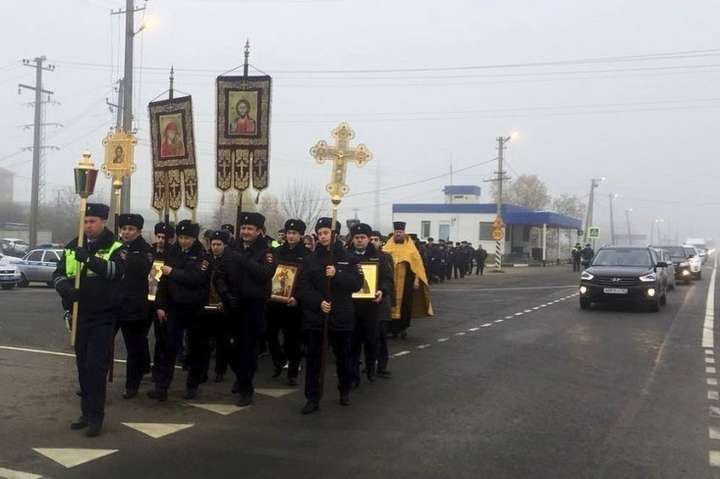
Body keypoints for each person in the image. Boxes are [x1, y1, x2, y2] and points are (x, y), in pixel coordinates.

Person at [52, 203, 125, 437]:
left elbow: (116, 271)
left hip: (104, 315)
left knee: (96, 367)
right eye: (85, 221)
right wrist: (65, 289)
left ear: (103, 222)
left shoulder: (115, 246)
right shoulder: (73, 245)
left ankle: (96, 417)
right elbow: (58, 274)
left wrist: (90, 259)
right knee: (83, 366)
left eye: (92, 221)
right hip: (79, 314)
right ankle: (85, 413)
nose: (88, 225)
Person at [296, 218, 363, 414]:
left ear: (335, 235)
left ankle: (344, 390)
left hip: (341, 316)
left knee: (343, 356)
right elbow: (302, 288)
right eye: (320, 233)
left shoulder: (349, 258)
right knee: (314, 360)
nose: (323, 236)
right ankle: (312, 397)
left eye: (326, 232)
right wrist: (318, 302)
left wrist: (337, 274)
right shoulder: (309, 260)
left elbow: (357, 284)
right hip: (317, 317)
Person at [215, 212, 276, 406]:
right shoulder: (232, 249)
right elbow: (219, 275)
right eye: (243, 228)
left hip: (253, 306)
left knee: (247, 348)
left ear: (259, 231)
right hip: (232, 304)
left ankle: (246, 388)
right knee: (227, 346)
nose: (245, 232)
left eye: (250, 229)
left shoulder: (266, 252)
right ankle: (241, 376)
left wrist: (242, 260)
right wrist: (226, 295)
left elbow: (265, 273)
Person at [149, 220, 210, 402]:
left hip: (195, 308)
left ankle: (192, 385)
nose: (183, 241)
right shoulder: (171, 252)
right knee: (169, 347)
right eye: (181, 237)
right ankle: (162, 387)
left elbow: (196, 278)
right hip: (174, 307)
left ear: (194, 238)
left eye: (187, 238)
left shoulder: (202, 256)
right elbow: (161, 281)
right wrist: (160, 305)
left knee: (195, 348)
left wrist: (173, 272)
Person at [347, 223, 394, 387]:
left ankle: (370, 367)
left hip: (372, 307)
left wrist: (382, 291)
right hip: (351, 306)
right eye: (356, 238)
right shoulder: (345, 256)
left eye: (363, 237)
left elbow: (388, 279)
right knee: (353, 342)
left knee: (372, 340)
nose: (359, 240)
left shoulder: (380, 257)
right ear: (352, 239)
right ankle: (353, 374)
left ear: (368, 239)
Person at [266, 219, 310, 387]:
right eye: (289, 233)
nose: (291, 236)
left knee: (292, 339)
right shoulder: (276, 251)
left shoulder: (307, 255)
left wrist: (297, 298)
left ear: (301, 235)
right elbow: (269, 272)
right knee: (270, 334)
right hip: (274, 301)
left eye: (294, 233)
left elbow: (306, 281)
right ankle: (278, 360)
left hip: (293, 303)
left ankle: (292, 371)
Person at [115, 214, 154, 400]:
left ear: (138, 231)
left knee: (134, 348)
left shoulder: (146, 249)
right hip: (115, 304)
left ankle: (132, 385)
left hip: (135, 306)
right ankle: (94, 382)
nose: (126, 232)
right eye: (124, 229)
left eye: (130, 229)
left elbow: (146, 270)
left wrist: (127, 257)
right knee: (102, 344)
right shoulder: (116, 247)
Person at [382, 221, 433, 339]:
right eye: (396, 232)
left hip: (406, 282)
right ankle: (391, 329)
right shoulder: (387, 247)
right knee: (389, 304)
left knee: (405, 305)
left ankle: (402, 328)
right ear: (394, 233)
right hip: (391, 282)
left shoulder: (411, 249)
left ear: (404, 233)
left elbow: (417, 266)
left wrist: (416, 280)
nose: (398, 234)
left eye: (400, 232)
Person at [205, 230, 232, 383]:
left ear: (224, 245)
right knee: (205, 340)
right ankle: (202, 370)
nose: (215, 247)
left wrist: (226, 301)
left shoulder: (230, 261)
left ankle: (220, 370)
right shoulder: (207, 259)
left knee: (222, 341)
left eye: (218, 244)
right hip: (207, 304)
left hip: (223, 306)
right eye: (213, 244)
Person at [369, 230, 395, 378]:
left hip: (382, 302)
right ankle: (369, 364)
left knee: (381, 336)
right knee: (368, 337)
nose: (373, 242)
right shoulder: (362, 257)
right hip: (366, 302)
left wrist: (384, 293)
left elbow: (389, 280)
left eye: (376, 239)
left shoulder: (385, 258)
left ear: (380, 242)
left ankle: (382, 366)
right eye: (371, 239)